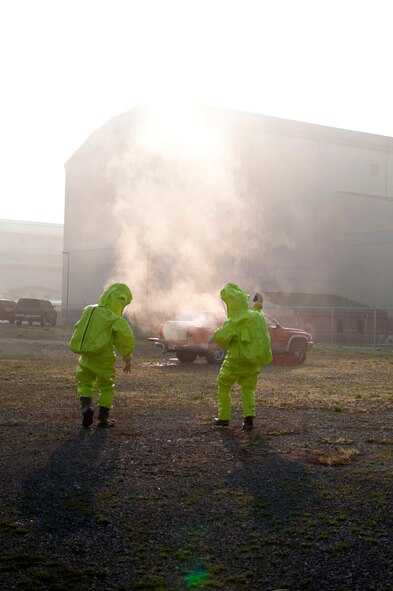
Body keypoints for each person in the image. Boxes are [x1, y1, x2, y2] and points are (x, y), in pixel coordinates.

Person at [69, 283, 135, 428]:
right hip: (104, 358)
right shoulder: (115, 319)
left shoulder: (89, 310)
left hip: (86, 356)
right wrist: (127, 359)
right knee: (106, 386)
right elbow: (125, 340)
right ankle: (103, 419)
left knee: (85, 383)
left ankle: (86, 407)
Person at [211, 283, 272, 430]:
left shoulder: (234, 321)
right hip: (253, 362)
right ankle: (248, 420)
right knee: (248, 389)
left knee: (224, 384)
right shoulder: (256, 316)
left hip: (235, 361)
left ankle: (224, 418)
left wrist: (217, 330)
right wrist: (258, 305)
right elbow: (259, 312)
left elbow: (220, 338)